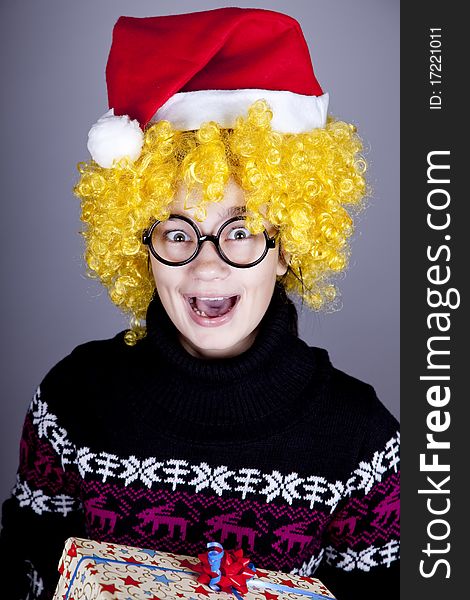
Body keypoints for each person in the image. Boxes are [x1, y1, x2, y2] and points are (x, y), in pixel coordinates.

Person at [0, 8, 399, 600]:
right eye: (177, 231)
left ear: (288, 247)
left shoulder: (363, 444)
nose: (206, 265)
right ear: (142, 246)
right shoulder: (73, 400)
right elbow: (27, 562)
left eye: (241, 231)